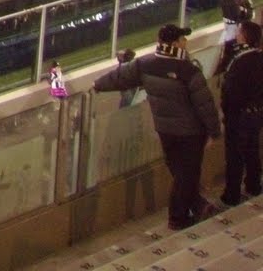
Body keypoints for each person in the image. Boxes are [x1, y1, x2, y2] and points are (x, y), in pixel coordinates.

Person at [93, 23, 222, 230]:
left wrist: (97, 84)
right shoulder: (188, 70)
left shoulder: (145, 64)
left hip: (165, 131)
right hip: (190, 134)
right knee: (187, 176)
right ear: (174, 43)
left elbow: (119, 77)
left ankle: (198, 206)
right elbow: (204, 104)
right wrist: (214, 131)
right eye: (182, 39)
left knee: (181, 174)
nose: (185, 42)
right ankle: (178, 219)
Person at [220, 20, 263, 206]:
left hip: (239, 116)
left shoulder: (239, 61)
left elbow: (231, 92)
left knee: (235, 156)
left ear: (245, 36)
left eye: (239, 32)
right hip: (257, 113)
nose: (236, 34)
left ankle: (232, 195)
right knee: (253, 150)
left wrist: (227, 114)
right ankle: (254, 185)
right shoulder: (259, 58)